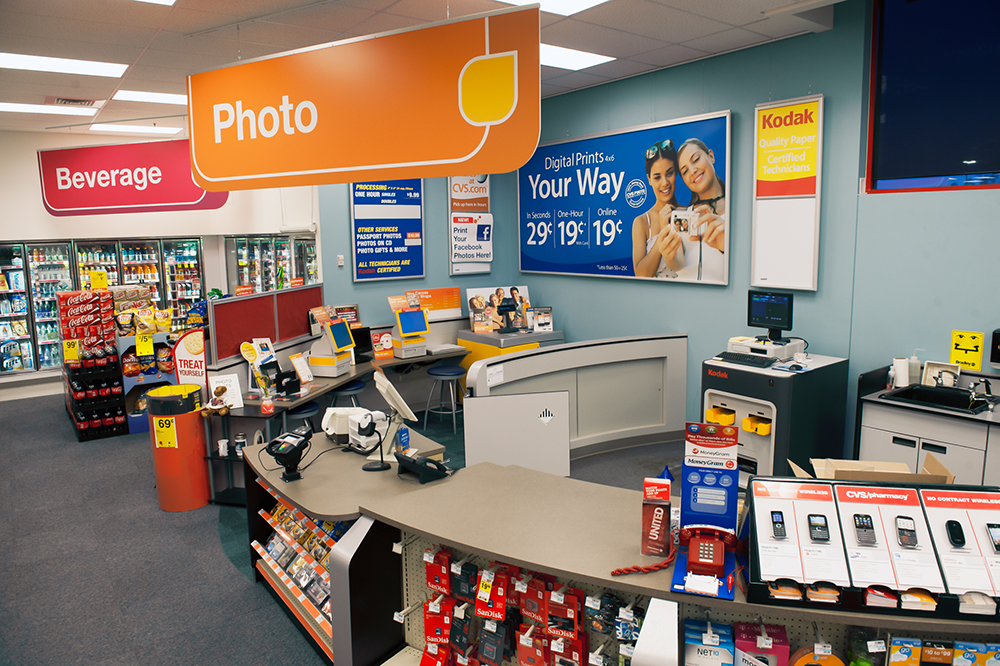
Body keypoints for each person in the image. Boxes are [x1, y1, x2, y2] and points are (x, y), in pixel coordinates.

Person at [664, 138, 727, 282]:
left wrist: (726, 247)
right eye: (685, 171)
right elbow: (678, 264)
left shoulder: (739, 210)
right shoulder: (681, 217)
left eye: (696, 159)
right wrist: (668, 255)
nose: (692, 171)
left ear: (711, 156)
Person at [632, 139, 684, 278]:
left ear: (676, 172)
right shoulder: (642, 222)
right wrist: (663, 232)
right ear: (649, 180)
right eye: (657, 177)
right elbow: (641, 275)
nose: (664, 183)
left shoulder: (690, 212)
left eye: (669, 173)